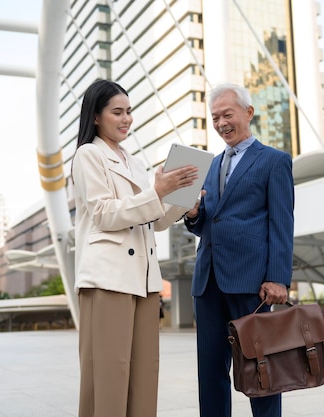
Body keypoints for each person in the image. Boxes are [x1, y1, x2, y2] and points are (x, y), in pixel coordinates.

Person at [71, 79, 199, 417]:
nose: (126, 118)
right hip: (107, 278)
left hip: (144, 282)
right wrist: (156, 192)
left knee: (144, 375)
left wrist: (182, 200)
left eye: (129, 111)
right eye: (117, 112)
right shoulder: (89, 155)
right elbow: (103, 214)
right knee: (108, 376)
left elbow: (153, 220)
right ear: (96, 117)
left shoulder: (133, 161)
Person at [184, 83, 295, 417]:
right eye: (215, 117)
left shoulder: (274, 161)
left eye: (226, 114)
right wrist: (192, 214)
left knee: (259, 368)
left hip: (252, 285)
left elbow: (281, 223)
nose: (220, 123)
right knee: (210, 371)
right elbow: (209, 224)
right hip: (208, 282)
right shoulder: (209, 165)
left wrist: (278, 277)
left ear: (248, 112)